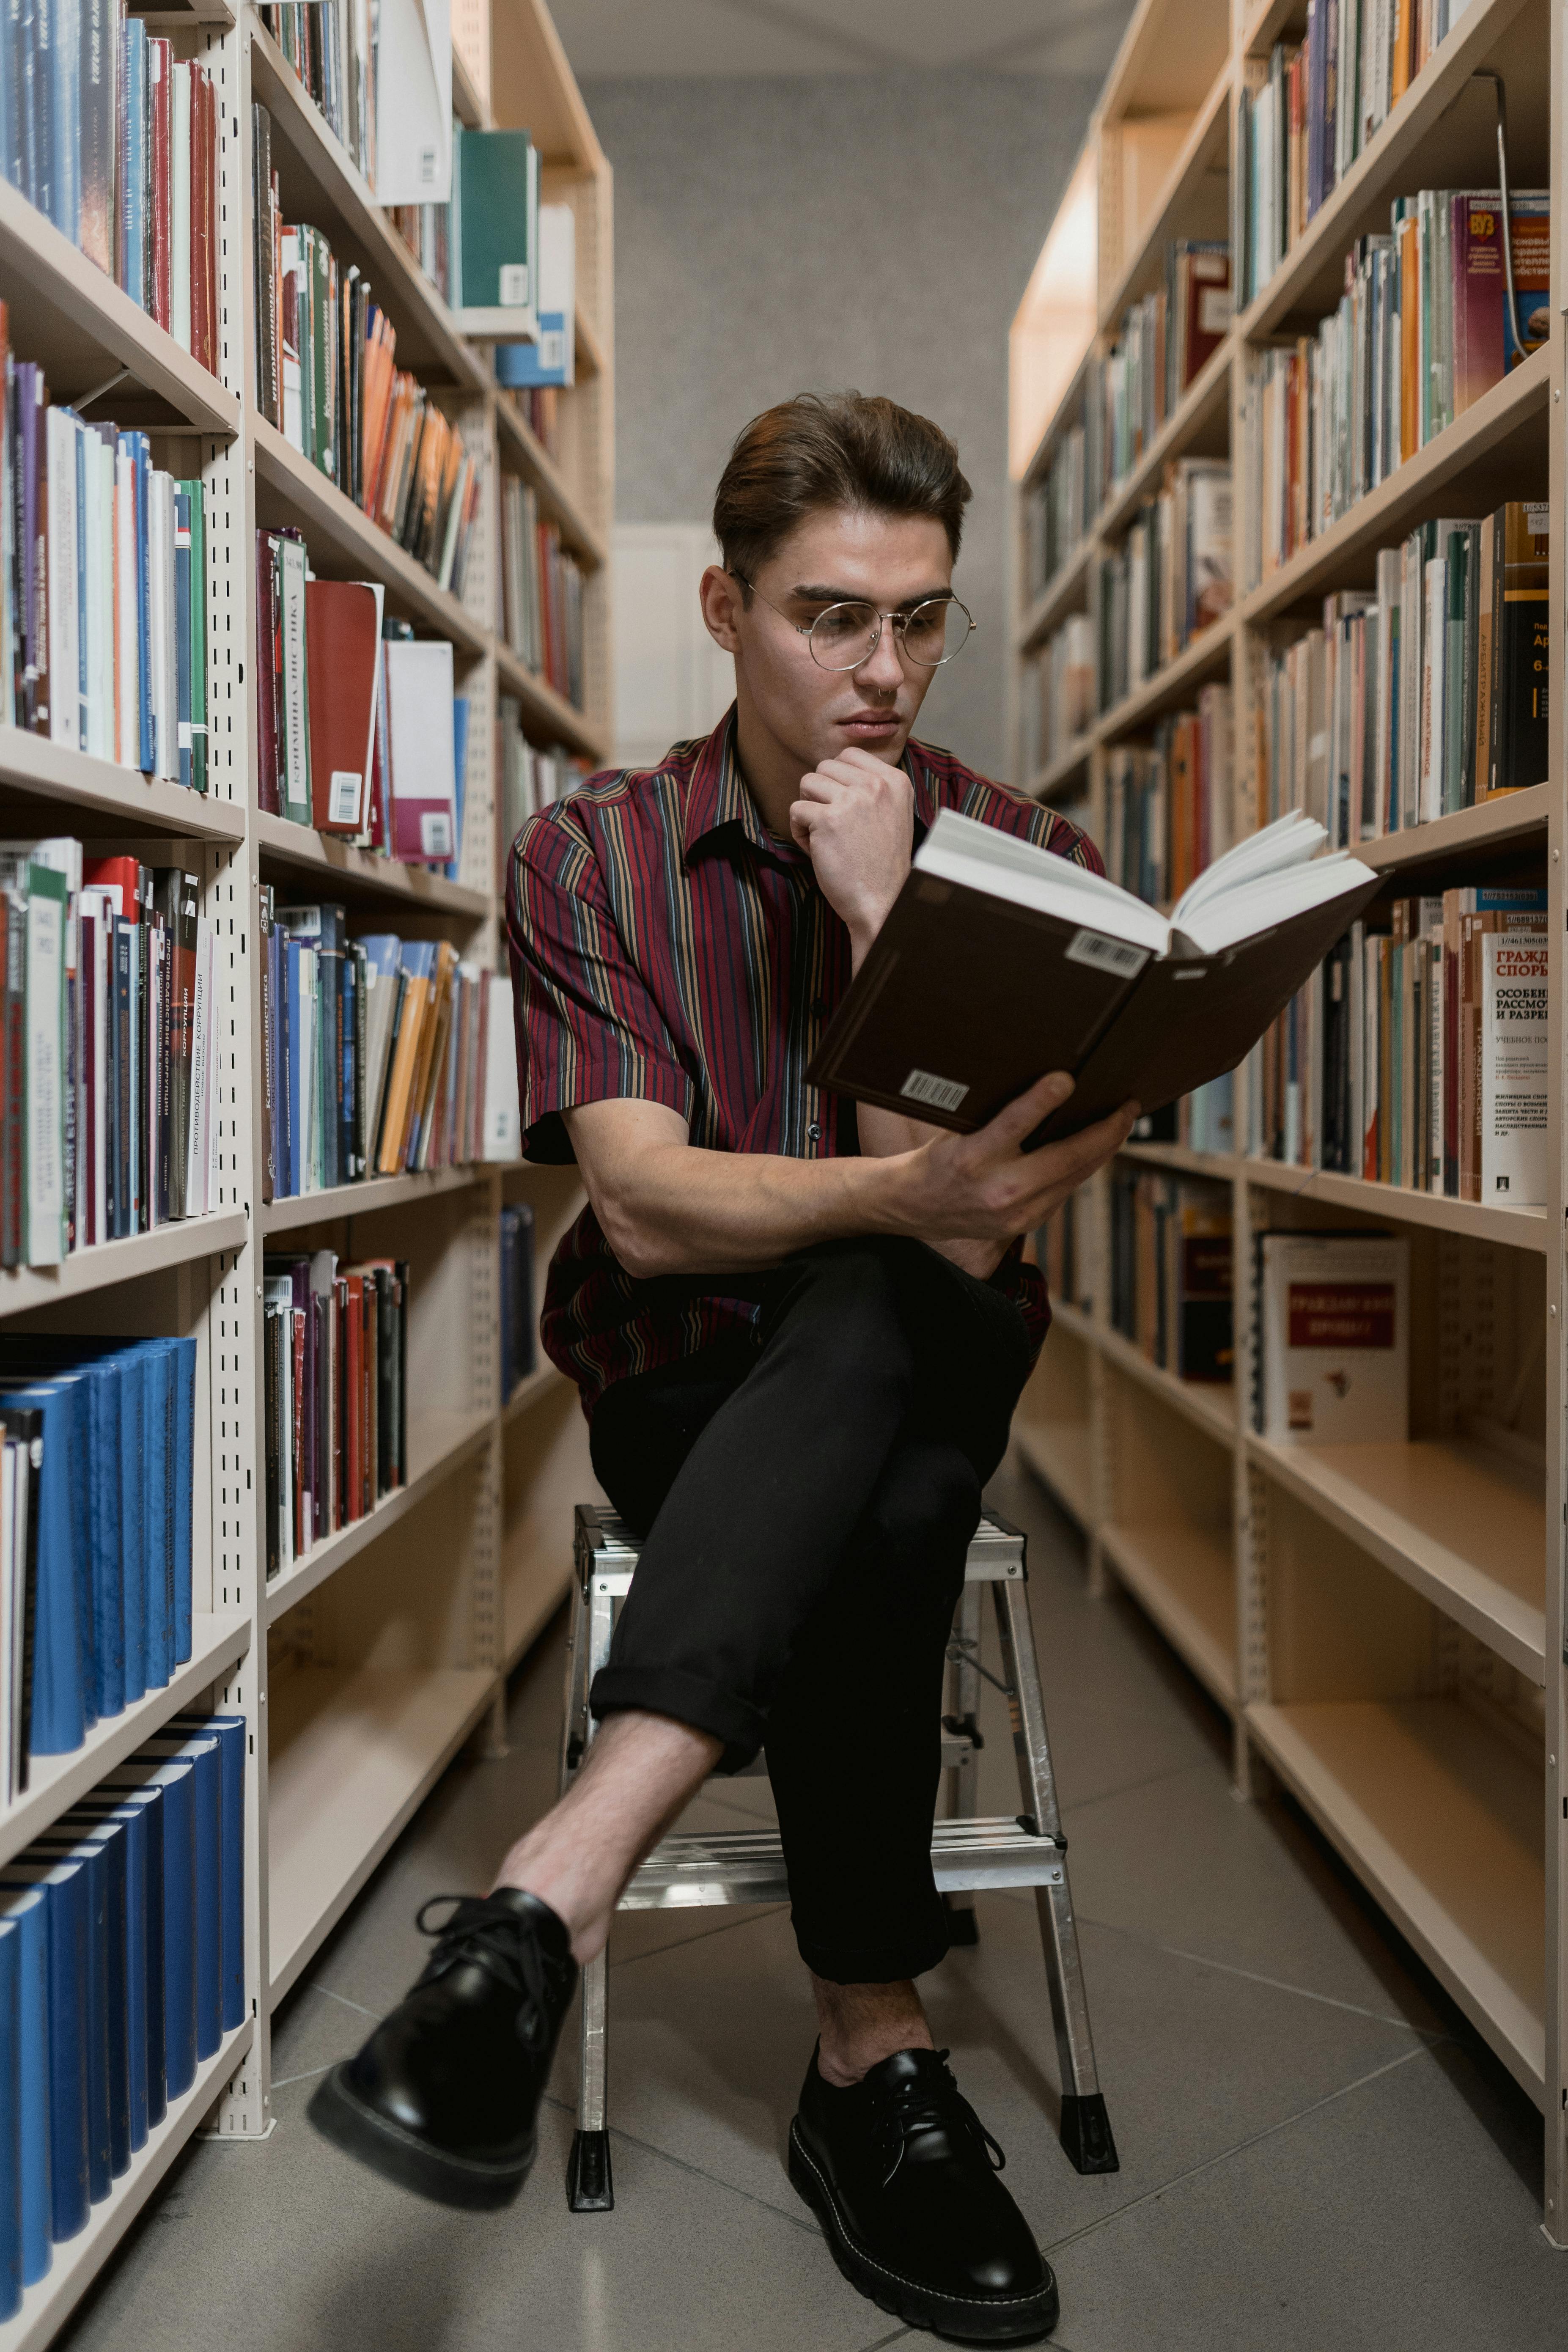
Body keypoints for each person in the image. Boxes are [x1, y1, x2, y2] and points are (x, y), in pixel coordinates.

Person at [310, 391, 1135, 2346]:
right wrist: (916, 1189)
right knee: (895, 1443)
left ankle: (548, 1900)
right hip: (682, 1384)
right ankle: (871, 2054)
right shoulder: (595, 852)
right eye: (833, 618)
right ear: (725, 607)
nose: (887, 670)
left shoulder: (1024, 856)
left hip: (926, 1349)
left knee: (891, 1302)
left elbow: (1001, 1212)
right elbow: (652, 1211)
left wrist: (887, 916)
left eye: (923, 620)